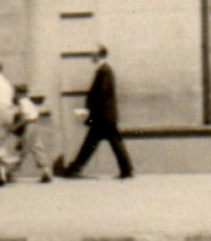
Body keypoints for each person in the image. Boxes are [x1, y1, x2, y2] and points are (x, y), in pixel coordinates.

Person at [63, 45, 134, 180]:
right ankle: (126, 169)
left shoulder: (105, 70)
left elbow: (102, 93)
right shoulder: (103, 70)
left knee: (98, 143)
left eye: (93, 53)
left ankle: (75, 168)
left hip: (103, 116)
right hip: (104, 116)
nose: (91, 56)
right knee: (96, 143)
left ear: (100, 55)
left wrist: (88, 109)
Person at [11, 83, 53, 184]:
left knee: (23, 149)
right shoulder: (28, 102)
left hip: (29, 126)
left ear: (19, 93)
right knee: (37, 148)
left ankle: (12, 171)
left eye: (16, 93)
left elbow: (25, 118)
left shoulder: (22, 103)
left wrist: (16, 126)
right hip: (35, 125)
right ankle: (46, 170)